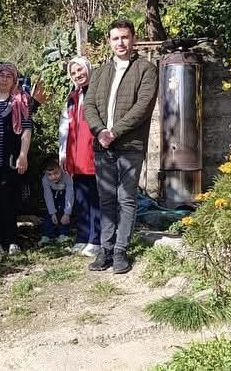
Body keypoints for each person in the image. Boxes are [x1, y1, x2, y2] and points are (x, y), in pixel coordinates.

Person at [84, 19, 158, 274]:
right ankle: (105, 249)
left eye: (125, 37)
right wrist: (100, 131)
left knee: (126, 199)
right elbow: (89, 105)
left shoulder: (146, 69)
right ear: (109, 42)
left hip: (129, 145)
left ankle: (120, 251)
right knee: (106, 199)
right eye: (115, 38)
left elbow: (143, 107)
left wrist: (114, 132)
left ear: (133, 39)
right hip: (102, 145)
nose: (121, 43)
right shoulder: (101, 72)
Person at [0, 63, 33, 255]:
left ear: (14, 81)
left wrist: (23, 155)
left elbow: (26, 130)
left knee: (9, 201)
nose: (4, 79)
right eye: (1, 75)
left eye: (8, 76)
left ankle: (12, 240)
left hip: (9, 160)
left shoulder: (20, 101)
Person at [58, 56, 101, 257]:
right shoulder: (72, 96)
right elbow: (64, 126)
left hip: (92, 152)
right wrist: (63, 152)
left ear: (88, 69)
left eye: (80, 70)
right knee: (81, 197)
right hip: (76, 155)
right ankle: (83, 236)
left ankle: (97, 239)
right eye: (74, 72)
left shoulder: (99, 91)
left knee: (95, 198)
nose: (78, 75)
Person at [39, 155, 74, 245]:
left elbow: (70, 195)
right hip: (53, 193)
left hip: (65, 193)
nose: (53, 177)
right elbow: (48, 196)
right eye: (49, 174)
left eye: (56, 173)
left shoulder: (67, 176)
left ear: (60, 169)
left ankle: (63, 234)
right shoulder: (45, 180)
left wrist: (67, 213)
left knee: (63, 210)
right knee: (49, 213)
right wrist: (52, 213)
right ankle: (47, 235)